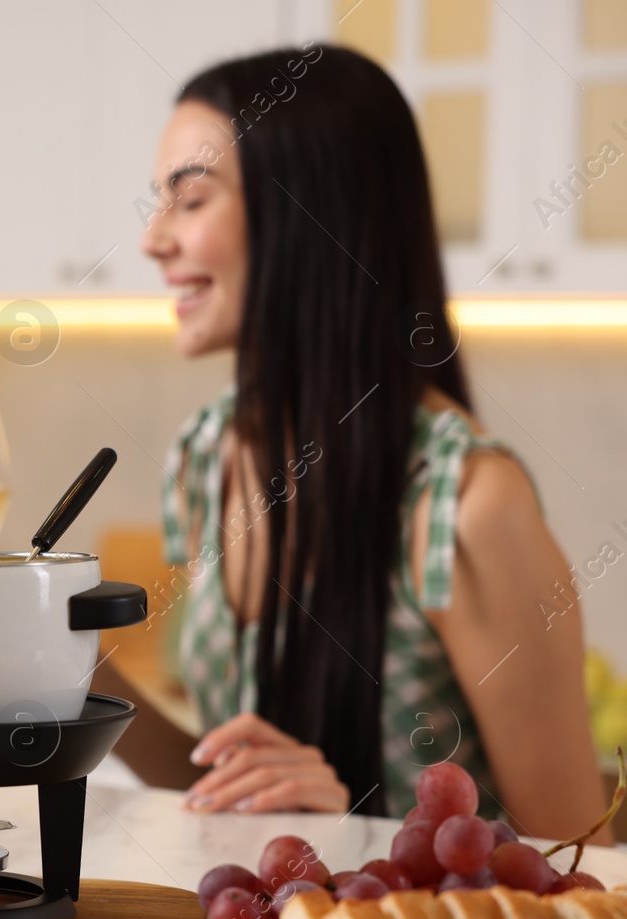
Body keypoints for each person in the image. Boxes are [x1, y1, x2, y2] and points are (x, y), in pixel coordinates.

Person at [100, 44, 605, 839]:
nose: (152, 240)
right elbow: (224, 784)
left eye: (190, 200)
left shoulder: (465, 507)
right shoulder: (206, 458)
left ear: (311, 216)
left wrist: (356, 836)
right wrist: (83, 681)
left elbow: (583, 877)